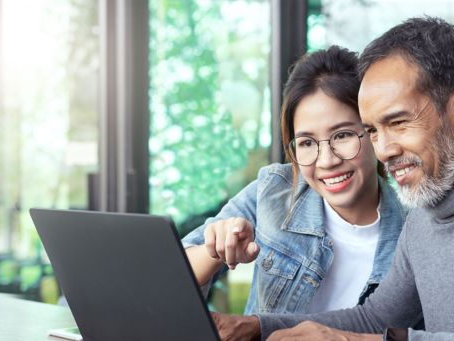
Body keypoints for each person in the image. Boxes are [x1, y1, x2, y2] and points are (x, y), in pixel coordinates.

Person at [212, 16, 454, 341]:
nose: (384, 150)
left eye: (397, 123)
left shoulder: (407, 220)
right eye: (372, 131)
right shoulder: (423, 224)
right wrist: (257, 326)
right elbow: (376, 317)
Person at [181, 46, 405, 320]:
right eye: (307, 143)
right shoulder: (274, 190)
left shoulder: (412, 232)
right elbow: (169, 277)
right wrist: (214, 251)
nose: (326, 161)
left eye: (343, 135)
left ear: (373, 132)